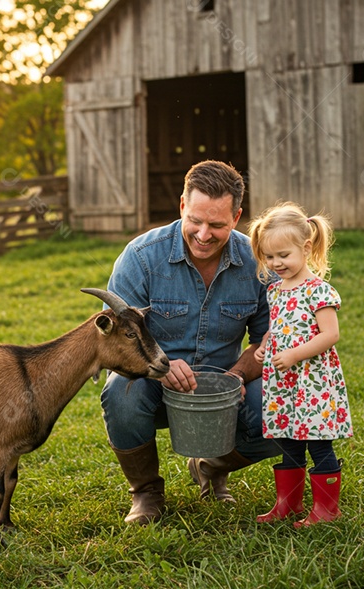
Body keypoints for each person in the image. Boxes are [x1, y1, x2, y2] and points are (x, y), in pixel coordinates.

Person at [102, 160, 281, 524]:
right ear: (182, 206)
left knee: (284, 403)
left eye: (217, 225)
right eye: (195, 220)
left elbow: (270, 339)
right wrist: (160, 366)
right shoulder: (141, 257)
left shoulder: (257, 263)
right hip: (151, 382)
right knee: (121, 393)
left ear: (237, 216)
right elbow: (112, 341)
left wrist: (236, 376)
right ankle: (146, 492)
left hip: (222, 390)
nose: (203, 234)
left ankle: (209, 466)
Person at [246, 203, 351, 527]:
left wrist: (294, 355)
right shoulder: (275, 292)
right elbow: (277, 328)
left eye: (283, 255)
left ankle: (327, 509)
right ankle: (287, 503)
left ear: (306, 248)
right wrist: (265, 346)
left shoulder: (318, 291)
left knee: (318, 443)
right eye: (269, 257)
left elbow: (330, 335)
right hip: (285, 384)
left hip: (313, 383)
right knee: (289, 442)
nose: (276, 263)